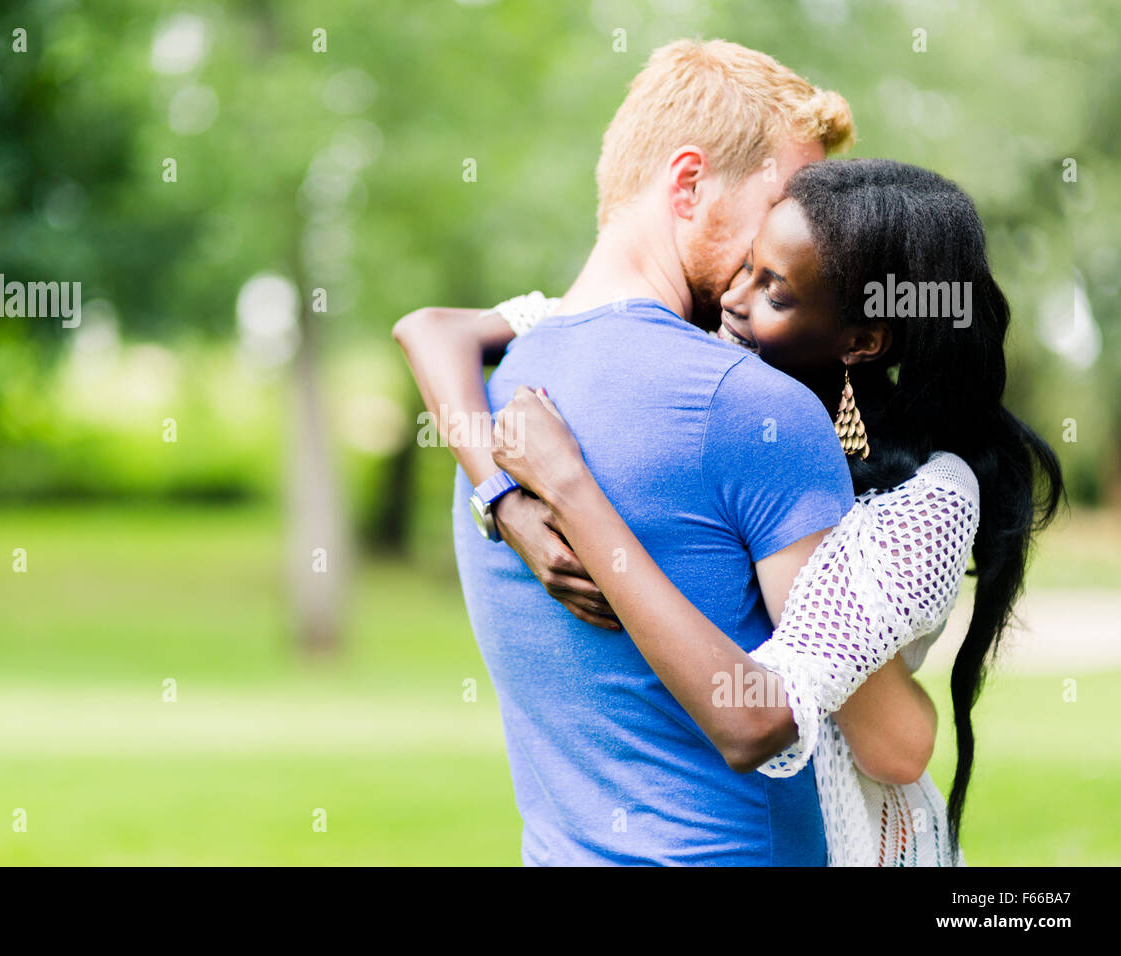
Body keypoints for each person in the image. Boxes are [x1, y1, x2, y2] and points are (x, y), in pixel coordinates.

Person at [399, 158, 1064, 865]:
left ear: (861, 340)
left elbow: (887, 745)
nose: (730, 299)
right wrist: (500, 500)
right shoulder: (711, 353)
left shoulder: (928, 498)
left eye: (773, 289)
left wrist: (570, 491)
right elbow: (431, 330)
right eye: (744, 267)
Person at [396, 39, 865, 865]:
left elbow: (430, 326)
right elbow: (870, 730)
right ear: (688, 184)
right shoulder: (757, 407)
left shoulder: (496, 388)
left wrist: (501, 497)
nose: (807, 244)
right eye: (787, 204)